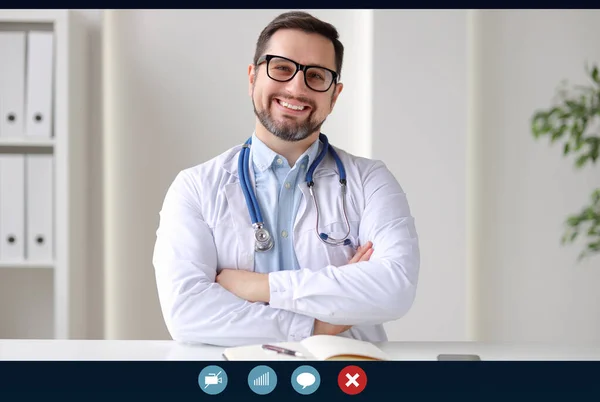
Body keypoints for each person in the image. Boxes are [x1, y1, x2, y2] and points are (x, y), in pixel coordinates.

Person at [152, 11, 420, 347]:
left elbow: (395, 288)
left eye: (316, 75)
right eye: (281, 68)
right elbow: (186, 312)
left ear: (334, 95)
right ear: (252, 78)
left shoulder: (370, 181)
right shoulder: (195, 187)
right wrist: (317, 326)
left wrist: (260, 286)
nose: (296, 87)